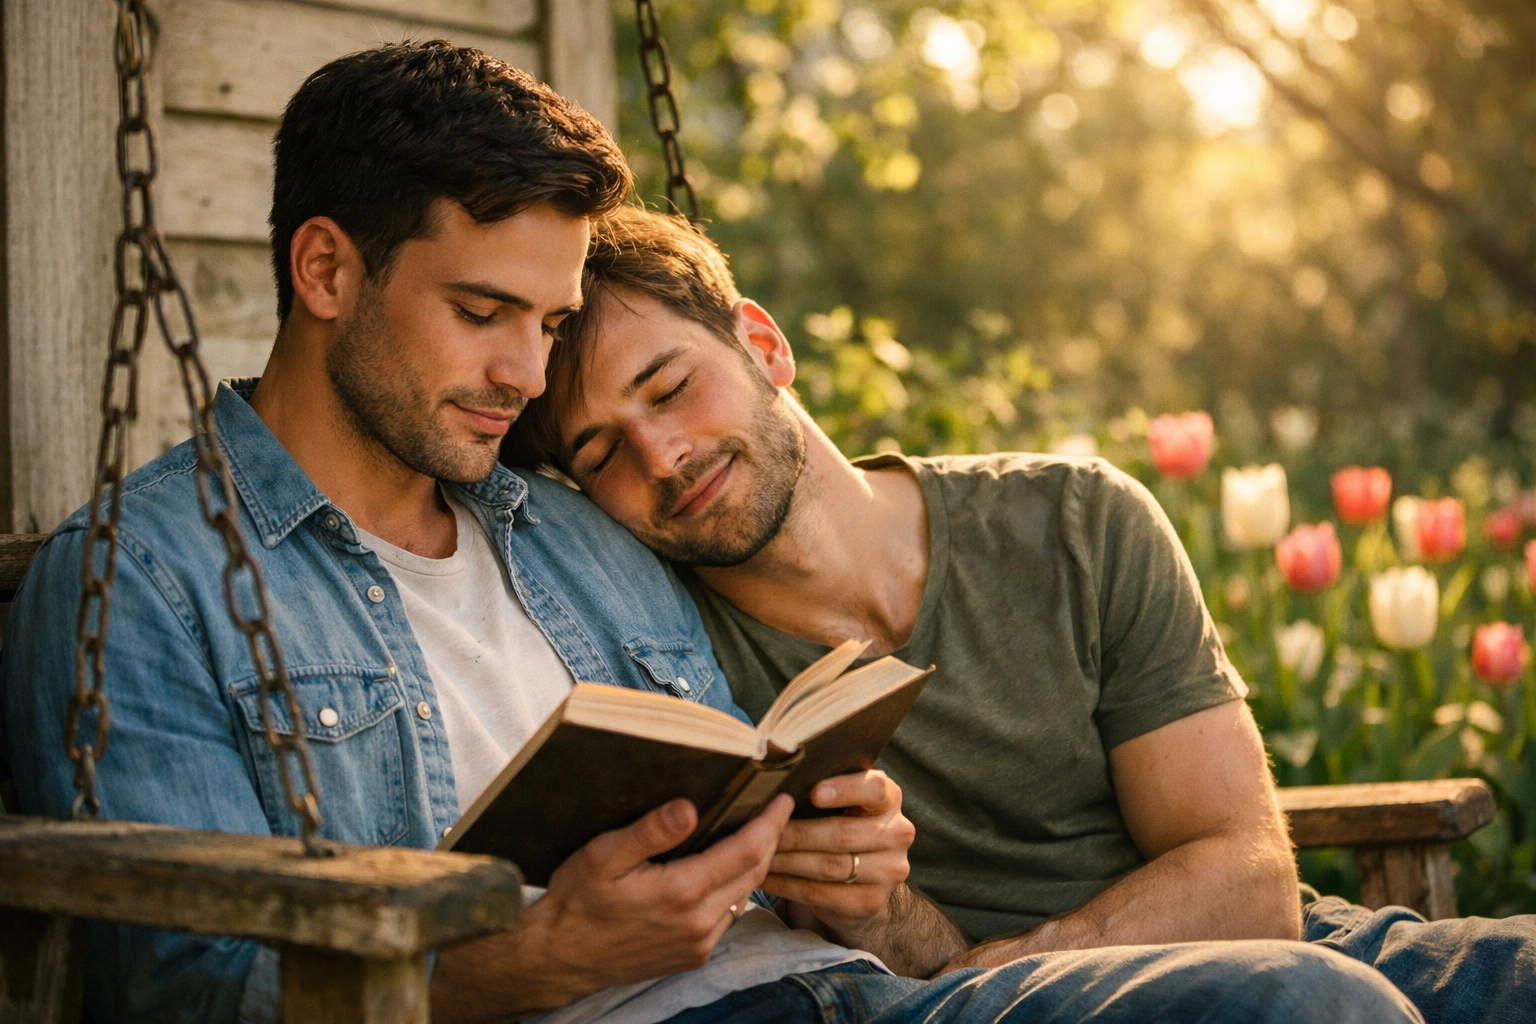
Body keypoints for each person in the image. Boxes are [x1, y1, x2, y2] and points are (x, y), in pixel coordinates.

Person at [0, 36, 1424, 1024]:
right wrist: (534, 961)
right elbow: (178, 991)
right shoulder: (148, 580)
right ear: (326, 268)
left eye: (548, 325)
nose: (523, 374)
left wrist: (841, 854)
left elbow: (766, 791)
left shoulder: (565, 532)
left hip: (850, 992)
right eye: (483, 312)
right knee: (1300, 1006)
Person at [502, 205, 1536, 1024]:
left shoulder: (1076, 520)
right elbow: (895, 973)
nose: (661, 456)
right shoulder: (672, 661)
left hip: (1252, 950)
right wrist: (894, 919)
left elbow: (1250, 876)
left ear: (763, 346)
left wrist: (1039, 962)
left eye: (672, 387)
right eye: (600, 454)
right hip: (976, 1001)